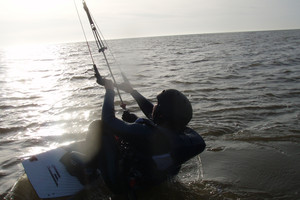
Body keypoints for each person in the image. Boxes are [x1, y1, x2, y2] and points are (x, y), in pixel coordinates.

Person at [84, 78, 206, 195]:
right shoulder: (186, 140)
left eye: (157, 104)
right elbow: (156, 119)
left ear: (162, 115)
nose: (154, 106)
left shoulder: (147, 134)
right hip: (153, 180)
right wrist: (132, 92)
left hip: (121, 184)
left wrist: (110, 90)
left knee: (98, 126)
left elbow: (108, 120)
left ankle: (88, 171)